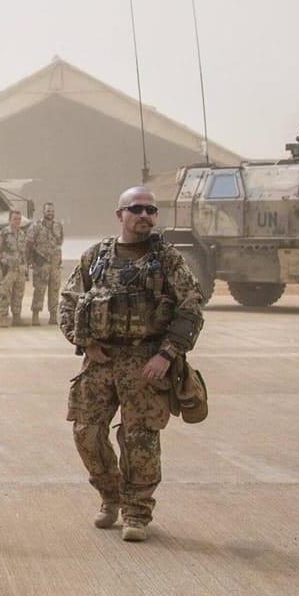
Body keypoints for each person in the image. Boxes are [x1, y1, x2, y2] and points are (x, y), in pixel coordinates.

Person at [59, 186, 205, 542]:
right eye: (136, 209)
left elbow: (191, 307)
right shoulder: (97, 256)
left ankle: (137, 512)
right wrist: (85, 341)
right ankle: (111, 497)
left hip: (146, 362)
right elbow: (68, 300)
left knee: (140, 440)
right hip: (101, 360)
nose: (145, 216)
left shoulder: (168, 260)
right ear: (119, 215)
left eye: (151, 210)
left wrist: (166, 354)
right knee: (87, 434)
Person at [29, 202, 65, 327]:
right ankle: (35, 314)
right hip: (41, 264)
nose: (50, 213)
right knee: (39, 290)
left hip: (55, 264)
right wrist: (34, 259)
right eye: (48, 211)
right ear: (43, 212)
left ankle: (53, 315)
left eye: (52, 211)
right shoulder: (36, 226)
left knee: (54, 290)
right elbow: (29, 243)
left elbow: (60, 241)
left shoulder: (58, 226)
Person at [0, 210, 29, 327]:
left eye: (19, 219)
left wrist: (25, 267)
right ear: (9, 220)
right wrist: (2, 262)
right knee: (5, 293)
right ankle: (3, 317)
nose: (17, 221)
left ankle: (17, 317)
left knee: (18, 294)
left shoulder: (22, 234)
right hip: (7, 269)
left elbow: (24, 252)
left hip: (20, 269)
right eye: (15, 219)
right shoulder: (3, 233)